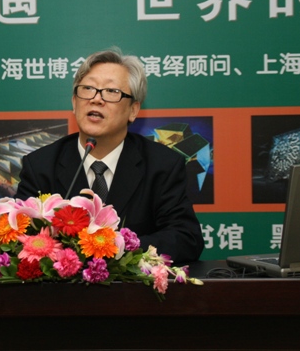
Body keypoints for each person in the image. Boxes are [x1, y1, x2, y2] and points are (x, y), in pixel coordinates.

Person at [15, 48, 204, 264]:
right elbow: (20, 239)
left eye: (111, 91)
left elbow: (186, 239)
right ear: (74, 102)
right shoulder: (40, 165)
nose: (96, 99)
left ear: (133, 110)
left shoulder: (162, 165)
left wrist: (116, 248)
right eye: (88, 89)